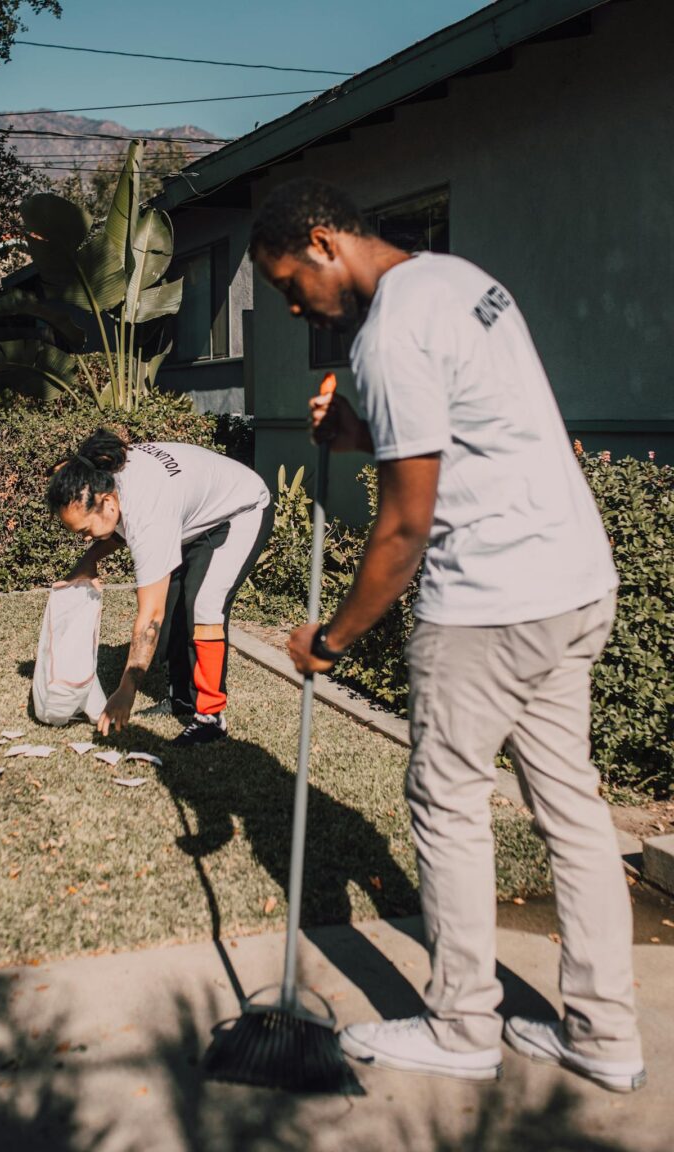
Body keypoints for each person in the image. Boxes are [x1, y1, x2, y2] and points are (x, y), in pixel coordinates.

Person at [249, 178, 645, 1092]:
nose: (294, 306)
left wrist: (330, 641)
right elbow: (470, 434)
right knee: (574, 815)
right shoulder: (460, 280)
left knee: (448, 802)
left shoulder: (389, 334)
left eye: (285, 286)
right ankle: (603, 1037)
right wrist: (355, 431)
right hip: (573, 582)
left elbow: (402, 533)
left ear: (322, 243)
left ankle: (463, 1025)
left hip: (489, 603)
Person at [47, 429, 273, 747]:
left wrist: (127, 689)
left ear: (107, 503)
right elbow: (119, 528)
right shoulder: (103, 476)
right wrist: (88, 561)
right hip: (190, 517)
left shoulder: (147, 510)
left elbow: (149, 616)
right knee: (171, 613)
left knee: (203, 605)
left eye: (85, 530)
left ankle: (211, 717)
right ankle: (181, 699)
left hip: (242, 509)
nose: (84, 538)